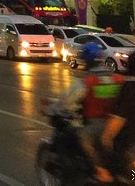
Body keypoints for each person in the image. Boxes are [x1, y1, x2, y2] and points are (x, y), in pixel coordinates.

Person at [52, 42, 124, 183]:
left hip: (97, 125)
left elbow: (67, 102)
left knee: (79, 138)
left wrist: (56, 109)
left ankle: (99, 171)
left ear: (85, 60)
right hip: (118, 125)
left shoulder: (88, 81)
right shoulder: (118, 79)